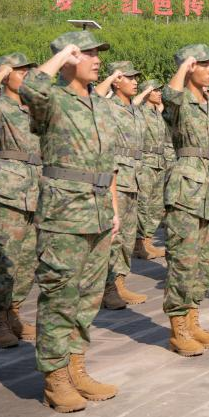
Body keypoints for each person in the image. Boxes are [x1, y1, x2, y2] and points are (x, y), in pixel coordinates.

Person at [20, 31, 121, 412]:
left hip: (98, 210)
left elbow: (109, 164)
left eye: (97, 53)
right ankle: (55, 377)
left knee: (88, 297)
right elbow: (30, 88)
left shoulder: (101, 104)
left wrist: (114, 209)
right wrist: (63, 54)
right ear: (67, 61)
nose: (96, 60)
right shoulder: (52, 100)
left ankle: (76, 366)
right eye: (87, 54)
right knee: (59, 296)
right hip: (64, 213)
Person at [161, 44, 209, 356]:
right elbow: (169, 96)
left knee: (204, 263)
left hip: (207, 191)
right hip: (185, 191)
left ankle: (193, 319)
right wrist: (183, 66)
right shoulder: (181, 101)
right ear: (189, 68)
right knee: (183, 261)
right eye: (203, 64)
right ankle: (179, 330)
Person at [0, 53, 41, 348]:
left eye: (28, 71)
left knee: (28, 261)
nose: (25, 75)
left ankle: (14, 312)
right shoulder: (0, 106)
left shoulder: (33, 109)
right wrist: (1, 74)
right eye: (20, 71)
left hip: (36, 192)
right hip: (8, 192)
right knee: (5, 259)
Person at [94, 62, 147, 309]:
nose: (135, 82)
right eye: (129, 77)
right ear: (116, 81)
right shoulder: (108, 105)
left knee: (127, 235)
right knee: (114, 237)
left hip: (134, 177)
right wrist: (111, 77)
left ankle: (119, 282)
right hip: (117, 177)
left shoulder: (135, 109)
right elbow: (94, 97)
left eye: (136, 78)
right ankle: (108, 288)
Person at [132, 80, 170, 260]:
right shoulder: (140, 111)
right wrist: (145, 91)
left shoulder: (157, 112)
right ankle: (138, 244)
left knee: (156, 205)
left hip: (159, 162)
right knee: (143, 204)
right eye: (155, 90)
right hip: (146, 163)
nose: (159, 93)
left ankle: (147, 241)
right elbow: (132, 104)